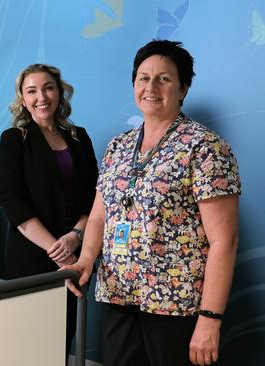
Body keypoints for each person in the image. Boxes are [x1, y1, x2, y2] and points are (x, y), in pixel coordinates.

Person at [63, 40, 241, 366]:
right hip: (119, 296)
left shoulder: (204, 147)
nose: (151, 87)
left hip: (176, 305)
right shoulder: (118, 146)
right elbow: (100, 218)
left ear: (183, 88)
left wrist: (210, 318)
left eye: (164, 79)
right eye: (143, 78)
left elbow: (224, 241)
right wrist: (86, 257)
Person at [0, 63, 98, 360]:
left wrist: (77, 236)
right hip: (31, 257)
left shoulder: (79, 136)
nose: (42, 97)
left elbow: (96, 195)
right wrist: (58, 250)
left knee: (62, 340)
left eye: (48, 88)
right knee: (29, 345)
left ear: (60, 92)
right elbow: (11, 199)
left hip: (77, 252)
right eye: (32, 91)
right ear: (23, 99)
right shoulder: (14, 139)